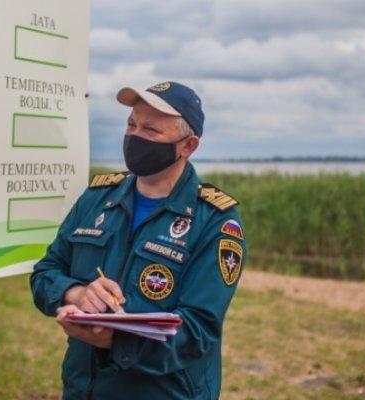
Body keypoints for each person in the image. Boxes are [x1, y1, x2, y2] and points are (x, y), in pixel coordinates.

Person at [30, 81, 247, 399]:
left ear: (188, 146)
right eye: (131, 125)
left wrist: (114, 341)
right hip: (83, 389)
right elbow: (45, 272)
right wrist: (76, 295)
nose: (134, 137)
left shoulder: (215, 220)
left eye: (151, 130)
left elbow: (197, 331)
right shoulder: (96, 199)